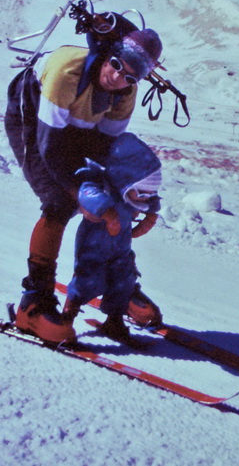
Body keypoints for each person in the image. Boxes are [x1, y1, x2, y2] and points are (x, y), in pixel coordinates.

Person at [4, 19, 163, 343]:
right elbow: (51, 151)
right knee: (60, 201)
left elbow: (109, 154)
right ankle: (33, 303)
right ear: (108, 53)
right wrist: (82, 194)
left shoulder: (124, 93)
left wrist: (137, 198)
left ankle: (119, 288)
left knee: (113, 192)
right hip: (34, 119)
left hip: (78, 128)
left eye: (130, 76)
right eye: (116, 65)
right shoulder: (66, 72)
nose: (118, 77)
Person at [59, 132, 164, 345]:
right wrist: (107, 212)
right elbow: (86, 194)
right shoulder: (105, 187)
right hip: (94, 246)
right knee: (88, 278)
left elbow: (151, 203)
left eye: (149, 194)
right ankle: (67, 315)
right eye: (142, 193)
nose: (145, 198)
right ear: (126, 181)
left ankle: (114, 320)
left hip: (121, 250)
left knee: (123, 280)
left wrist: (150, 216)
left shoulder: (132, 196)